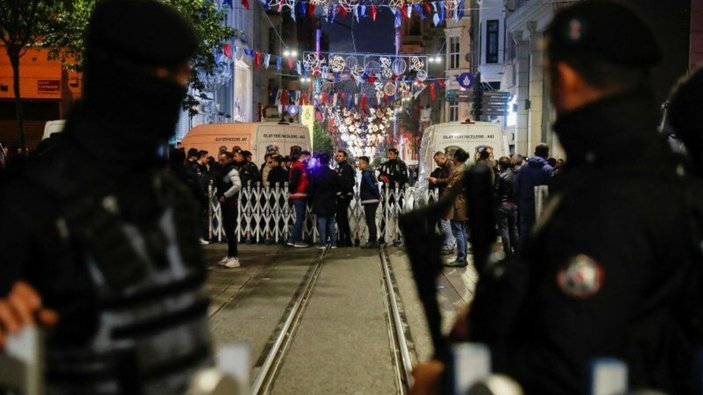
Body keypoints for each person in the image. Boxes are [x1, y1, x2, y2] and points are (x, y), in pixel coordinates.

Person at [411, 1, 703, 393]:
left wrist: (447, 382)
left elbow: (570, 362)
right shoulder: (623, 171)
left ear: (565, 78)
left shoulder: (614, 192)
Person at [0, 1, 214, 393]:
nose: (176, 91)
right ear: (119, 75)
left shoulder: (171, 200)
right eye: (165, 74)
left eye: (183, 76)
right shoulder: (30, 207)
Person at [514, 143, 553, 238]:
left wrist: (519, 202)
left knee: (525, 233)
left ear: (534, 153)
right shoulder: (548, 170)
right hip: (543, 208)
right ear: (547, 154)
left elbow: (517, 188)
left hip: (525, 205)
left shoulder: (524, 168)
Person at [442, 148, 469, 267]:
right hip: (461, 201)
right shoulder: (463, 168)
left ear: (456, 158)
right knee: (461, 230)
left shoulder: (459, 170)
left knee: (458, 230)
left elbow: (451, 186)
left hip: (457, 203)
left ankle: (461, 258)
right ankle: (463, 257)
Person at [215, 151, 242, 268]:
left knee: (230, 231)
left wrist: (225, 195)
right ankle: (230, 255)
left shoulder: (232, 171)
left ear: (230, 159)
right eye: (219, 160)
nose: (221, 162)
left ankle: (234, 257)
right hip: (226, 204)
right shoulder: (225, 170)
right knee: (228, 230)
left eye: (223, 160)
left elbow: (237, 186)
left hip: (230, 204)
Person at [309, 154, 341, 249]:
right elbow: (338, 185)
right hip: (331, 199)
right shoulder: (333, 173)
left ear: (320, 162)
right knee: (331, 221)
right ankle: (333, 243)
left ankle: (322, 243)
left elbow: (311, 187)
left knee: (322, 221)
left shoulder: (315, 173)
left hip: (319, 200)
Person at [428, 152, 455, 255]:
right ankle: (448, 243)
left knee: (445, 222)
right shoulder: (444, 167)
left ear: (443, 158)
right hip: (444, 196)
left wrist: (437, 181)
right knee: (444, 222)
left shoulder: (450, 166)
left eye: (437, 161)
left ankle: (449, 245)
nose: (436, 163)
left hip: (448, 198)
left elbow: (451, 180)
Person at [493, 156, 519, 257]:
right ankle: (516, 250)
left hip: (502, 206)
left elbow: (495, 193)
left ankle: (507, 252)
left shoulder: (500, 175)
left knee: (504, 230)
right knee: (514, 228)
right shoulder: (515, 175)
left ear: (501, 165)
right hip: (513, 205)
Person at [287, 150, 310, 247]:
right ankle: (295, 240)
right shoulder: (298, 167)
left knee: (300, 218)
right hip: (299, 196)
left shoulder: (299, 166)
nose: (309, 160)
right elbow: (294, 182)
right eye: (309, 158)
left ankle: (293, 240)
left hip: (299, 195)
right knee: (300, 219)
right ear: (304, 156)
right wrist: (294, 192)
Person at [358, 156, 381, 249]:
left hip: (370, 200)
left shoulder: (366, 173)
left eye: (360, 163)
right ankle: (373, 240)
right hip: (371, 199)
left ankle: (372, 241)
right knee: (370, 221)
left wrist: (377, 195)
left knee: (370, 221)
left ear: (365, 164)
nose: (358, 165)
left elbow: (371, 186)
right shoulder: (370, 172)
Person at [335, 150, 356, 247]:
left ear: (345, 157)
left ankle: (343, 240)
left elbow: (350, 182)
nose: (338, 157)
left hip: (345, 195)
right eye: (338, 156)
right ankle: (347, 240)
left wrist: (343, 193)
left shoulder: (347, 167)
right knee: (343, 218)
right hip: (340, 195)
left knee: (340, 217)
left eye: (340, 156)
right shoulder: (339, 167)